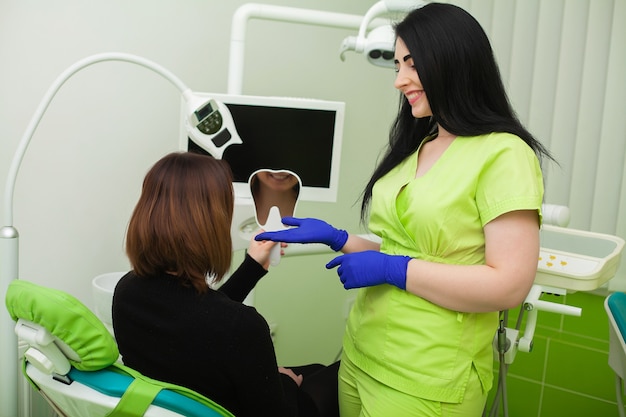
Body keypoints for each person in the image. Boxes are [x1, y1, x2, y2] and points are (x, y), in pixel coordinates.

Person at [255, 3, 554, 417]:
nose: (399, 80)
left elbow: (508, 285)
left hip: (427, 376)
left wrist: (393, 270)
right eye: (397, 65)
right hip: (362, 353)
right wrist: (340, 239)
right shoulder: (420, 143)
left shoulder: (504, 154)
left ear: (452, 59)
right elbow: (406, 246)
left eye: (411, 64)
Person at [112, 151, 339, 417]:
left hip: (185, 402)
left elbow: (198, 320)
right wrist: (287, 383)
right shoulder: (242, 327)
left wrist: (254, 266)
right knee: (335, 375)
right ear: (211, 225)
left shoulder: (126, 292)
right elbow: (217, 324)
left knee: (314, 368)